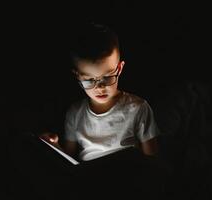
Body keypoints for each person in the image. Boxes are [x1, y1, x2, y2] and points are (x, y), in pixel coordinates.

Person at [40, 22, 160, 162]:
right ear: (78, 76)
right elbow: (70, 162)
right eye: (89, 80)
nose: (100, 87)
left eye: (107, 77)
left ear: (119, 69)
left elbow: (153, 161)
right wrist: (53, 146)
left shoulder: (138, 108)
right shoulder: (74, 113)